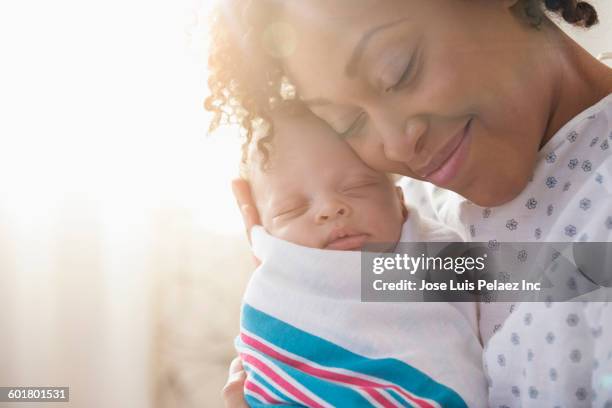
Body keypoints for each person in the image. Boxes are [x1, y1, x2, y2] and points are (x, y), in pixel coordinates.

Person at [205, 0, 612, 405]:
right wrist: (302, 275)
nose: (398, 145)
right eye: (349, 123)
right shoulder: (407, 213)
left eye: (398, 71)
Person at [236, 106, 486, 407]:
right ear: (264, 234)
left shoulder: (435, 259)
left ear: (399, 200)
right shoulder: (279, 296)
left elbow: (548, 277)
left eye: (358, 187)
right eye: (292, 208)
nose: (329, 208)